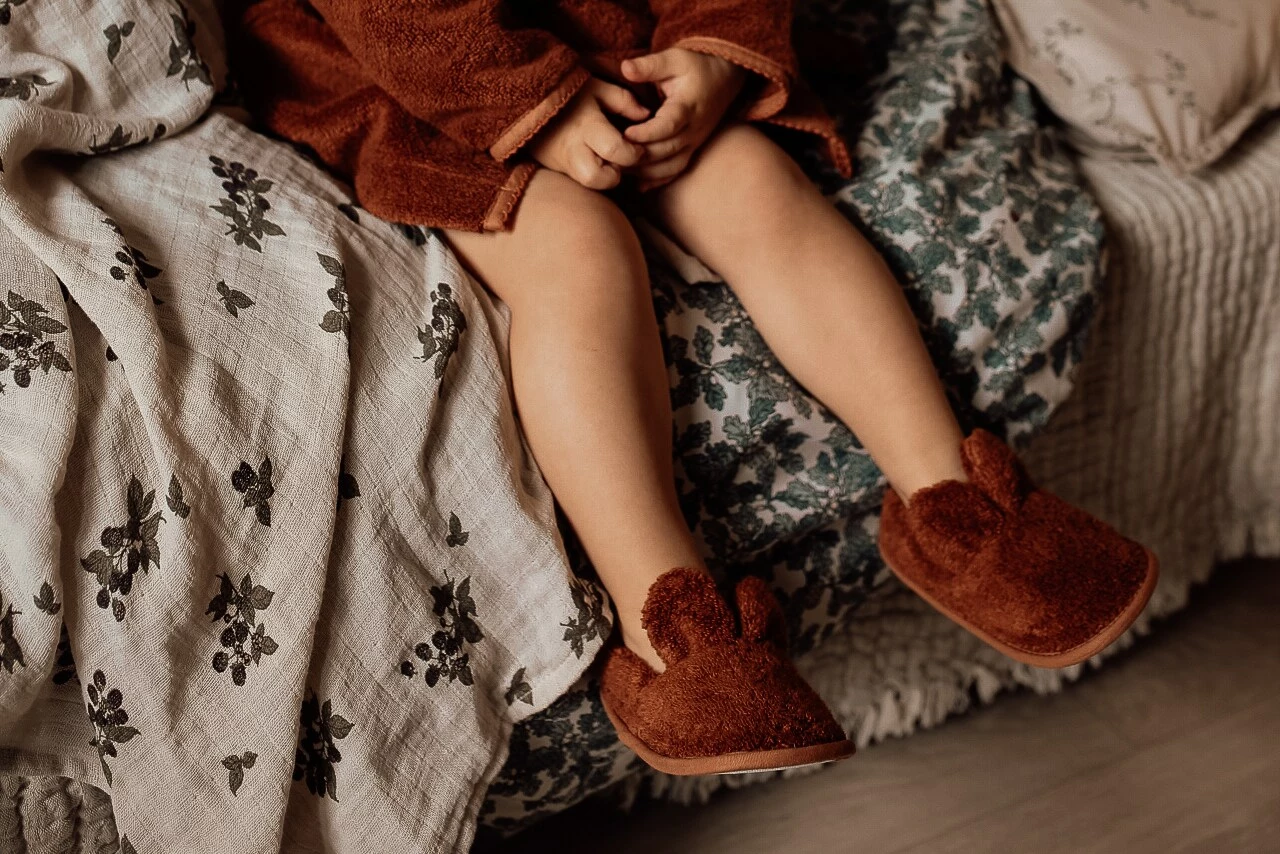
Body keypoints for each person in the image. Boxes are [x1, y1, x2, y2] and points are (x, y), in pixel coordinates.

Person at [231, 0, 1158, 776]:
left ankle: (958, 508)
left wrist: (714, 47)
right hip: (404, 76)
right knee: (577, 249)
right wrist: (535, 104)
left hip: (612, 39)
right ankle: (676, 633)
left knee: (751, 180)